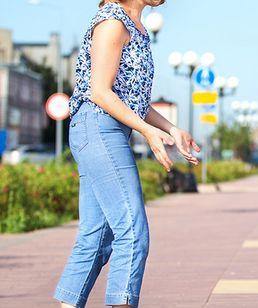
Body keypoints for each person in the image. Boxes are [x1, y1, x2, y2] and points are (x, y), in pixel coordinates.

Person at [53, 1, 200, 307]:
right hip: (97, 126)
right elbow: (99, 91)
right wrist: (147, 132)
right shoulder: (112, 23)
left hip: (106, 128)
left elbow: (132, 98)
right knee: (132, 232)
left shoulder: (137, 28)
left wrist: (172, 129)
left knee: (96, 238)